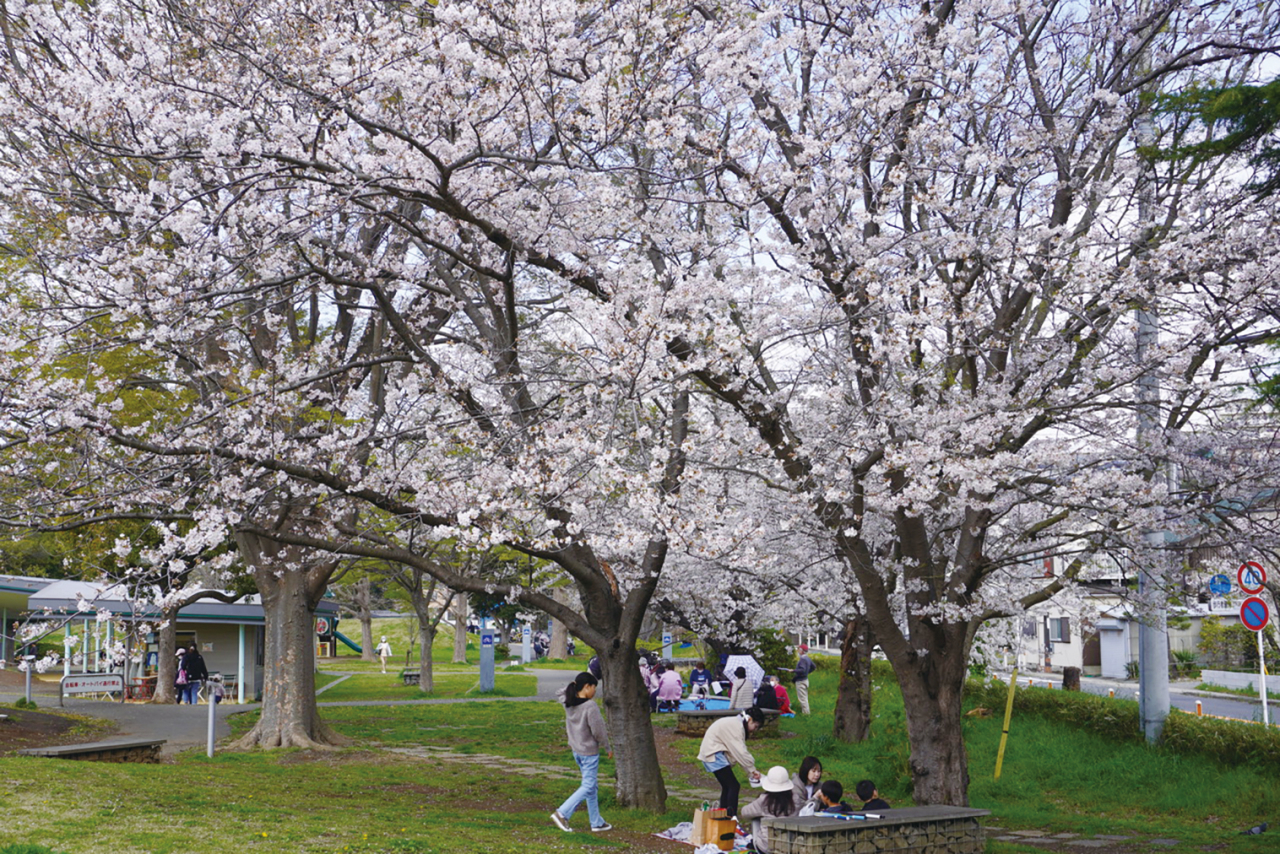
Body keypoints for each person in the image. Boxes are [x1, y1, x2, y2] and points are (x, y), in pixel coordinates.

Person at [550, 672, 613, 833]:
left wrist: (574, 684)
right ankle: (562, 813)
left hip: (576, 750)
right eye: (594, 688)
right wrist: (607, 747)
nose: (595, 692)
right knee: (588, 785)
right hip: (589, 752)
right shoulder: (589, 706)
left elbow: (561, 692)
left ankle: (596, 822)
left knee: (592, 787)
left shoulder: (567, 701)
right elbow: (599, 731)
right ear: (587, 687)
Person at [697, 706, 765, 819]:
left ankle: (723, 814)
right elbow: (741, 753)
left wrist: (751, 771)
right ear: (750, 720)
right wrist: (752, 770)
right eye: (755, 726)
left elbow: (738, 754)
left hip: (713, 752)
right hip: (713, 754)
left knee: (728, 786)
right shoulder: (736, 727)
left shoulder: (736, 724)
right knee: (733, 785)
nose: (754, 730)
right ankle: (731, 817)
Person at [739, 766, 799, 853]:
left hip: (767, 847)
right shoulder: (795, 799)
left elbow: (744, 813)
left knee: (756, 818)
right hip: (789, 845)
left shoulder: (764, 800)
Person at [793, 645, 815, 715]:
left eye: (799, 649)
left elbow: (802, 670)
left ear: (802, 651)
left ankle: (806, 714)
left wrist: (793, 670)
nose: (798, 650)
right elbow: (814, 667)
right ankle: (806, 712)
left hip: (801, 681)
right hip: (805, 680)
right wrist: (807, 672)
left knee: (802, 698)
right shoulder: (807, 658)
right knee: (805, 697)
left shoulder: (802, 659)